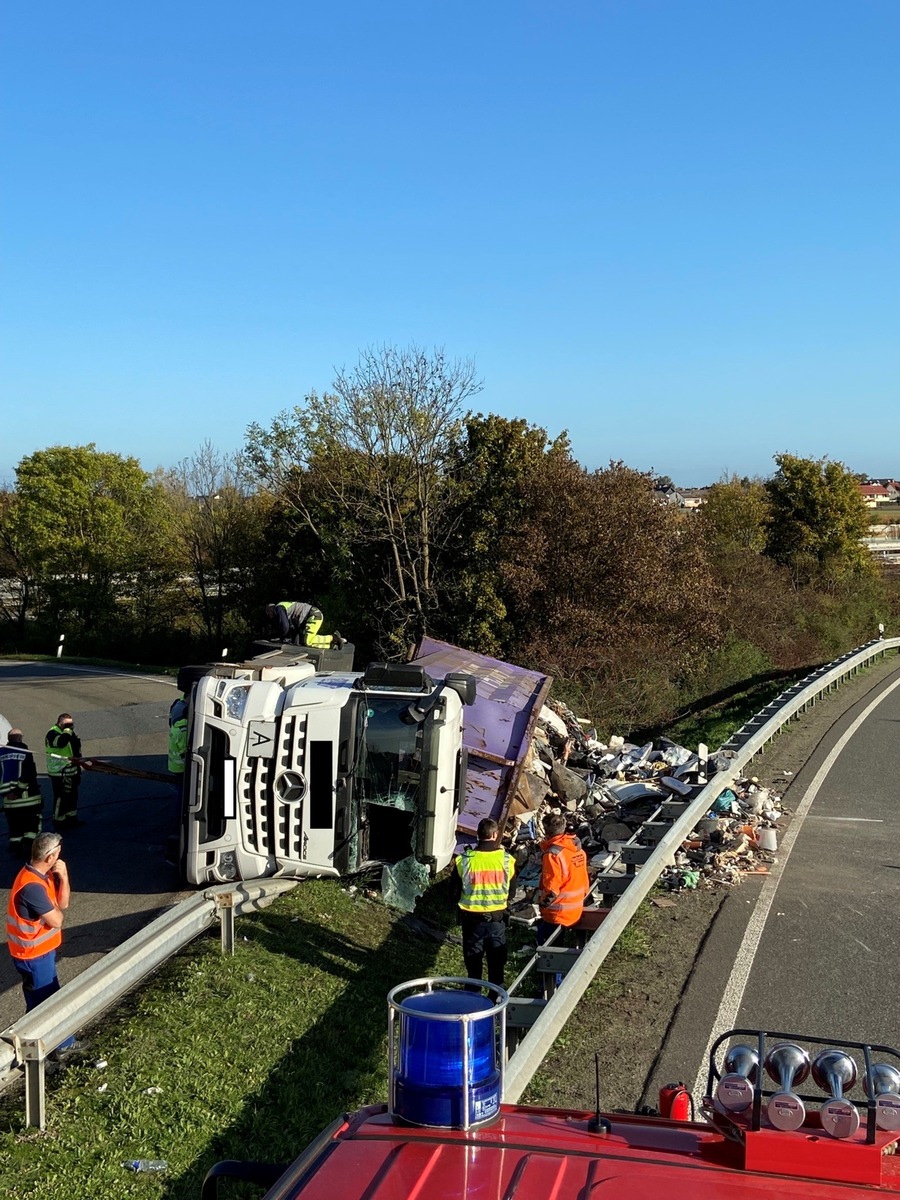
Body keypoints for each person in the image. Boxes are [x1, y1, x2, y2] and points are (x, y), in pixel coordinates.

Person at [6, 831, 75, 1049]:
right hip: (33, 957)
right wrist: (54, 912)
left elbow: (62, 905)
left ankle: (34, 1047)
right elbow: (57, 920)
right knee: (48, 1005)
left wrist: (63, 877)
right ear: (49, 858)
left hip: (38, 954)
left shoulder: (40, 875)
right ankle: (63, 1046)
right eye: (58, 855)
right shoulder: (32, 887)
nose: (60, 859)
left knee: (39, 1003)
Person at [454, 817, 515, 988]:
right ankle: (496, 1001)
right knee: (497, 967)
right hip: (497, 921)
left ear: (478, 835)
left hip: (472, 922)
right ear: (495, 835)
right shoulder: (506, 860)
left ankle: (474, 1000)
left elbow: (453, 892)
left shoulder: (464, 860)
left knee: (473, 967)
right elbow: (512, 893)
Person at [536, 811, 589, 945]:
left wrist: (541, 906)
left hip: (559, 913)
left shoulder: (552, 855)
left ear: (546, 832)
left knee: (543, 940)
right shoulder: (578, 850)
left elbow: (551, 890)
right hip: (577, 908)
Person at [0, 729, 44, 857]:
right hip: (28, 799)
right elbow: (29, 774)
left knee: (15, 827)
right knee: (32, 825)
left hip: (9, 802)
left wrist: (6, 793)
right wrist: (18, 791)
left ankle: (16, 847)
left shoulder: (1, 753)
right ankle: (30, 847)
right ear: (20, 738)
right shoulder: (25, 752)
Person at [45, 713, 83, 829]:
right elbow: (61, 743)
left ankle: (72, 818)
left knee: (72, 795)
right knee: (61, 797)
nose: (70, 726)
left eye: (71, 724)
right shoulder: (52, 733)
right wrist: (67, 731)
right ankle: (59, 821)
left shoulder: (69, 732)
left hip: (71, 770)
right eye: (67, 724)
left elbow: (75, 747)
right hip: (59, 772)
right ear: (60, 723)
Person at [265, 601, 346, 650]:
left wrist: (278, 637)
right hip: (312, 615)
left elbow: (285, 627)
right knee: (305, 643)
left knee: (308, 641)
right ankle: (330, 645)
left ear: (271, 609)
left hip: (313, 616)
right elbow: (294, 629)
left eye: (269, 613)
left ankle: (333, 638)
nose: (270, 616)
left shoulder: (279, 608)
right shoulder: (287, 611)